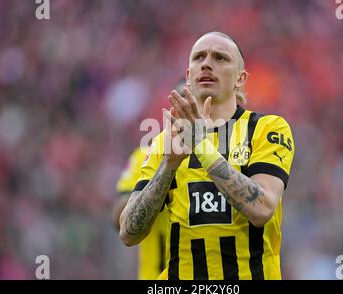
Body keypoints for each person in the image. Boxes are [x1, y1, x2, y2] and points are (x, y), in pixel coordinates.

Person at [119, 32, 295, 280]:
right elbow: (128, 232)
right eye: (199, 57)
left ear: (240, 79)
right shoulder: (164, 142)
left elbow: (262, 208)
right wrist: (168, 167)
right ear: (189, 76)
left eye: (220, 58)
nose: (207, 63)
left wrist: (200, 146)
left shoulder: (267, 129)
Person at [113, 80, 186, 280]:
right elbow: (119, 221)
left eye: (189, 102)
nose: (184, 110)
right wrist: (158, 181)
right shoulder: (146, 155)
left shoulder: (217, 159)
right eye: (178, 104)